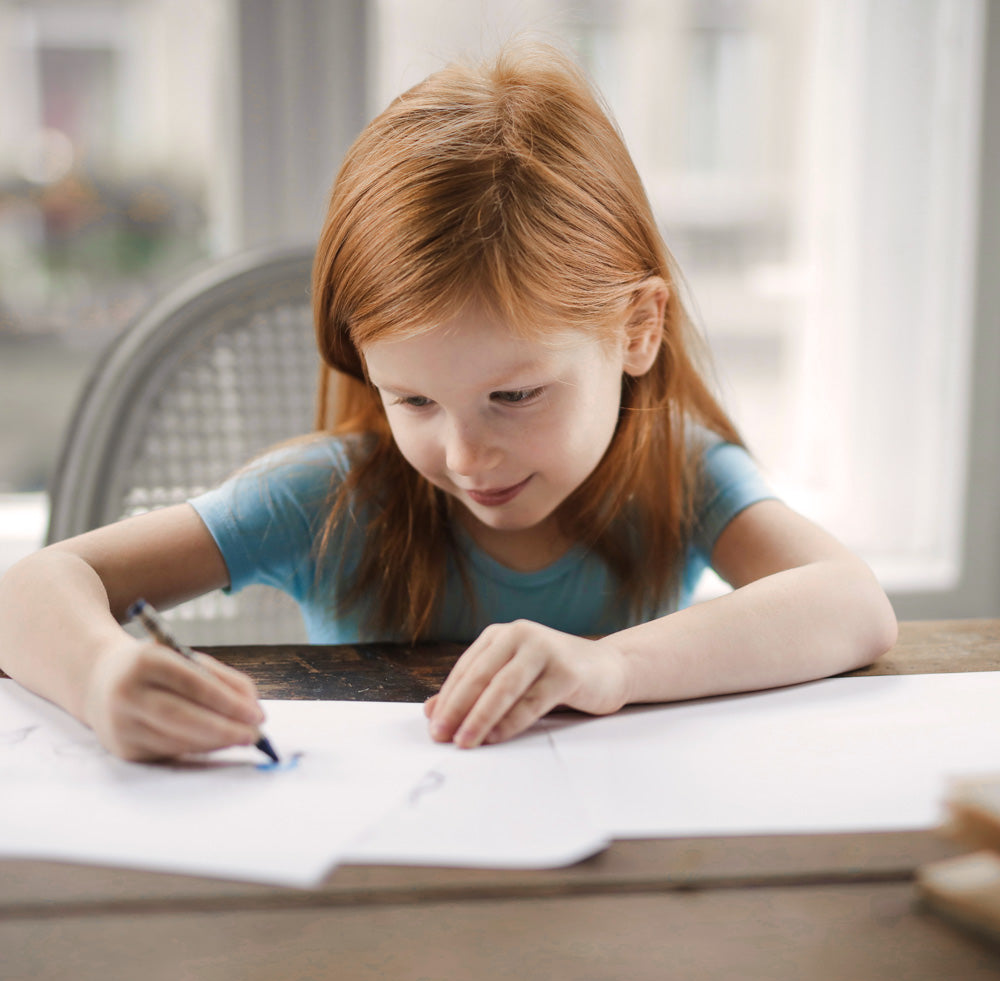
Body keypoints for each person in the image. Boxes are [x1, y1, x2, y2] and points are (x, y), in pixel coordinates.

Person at [0, 43, 897, 762]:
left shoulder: (680, 468)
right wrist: (101, 677)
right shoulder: (324, 498)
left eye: (513, 394)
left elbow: (854, 605)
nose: (465, 456)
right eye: (414, 399)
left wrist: (609, 665)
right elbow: (29, 591)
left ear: (636, 328)